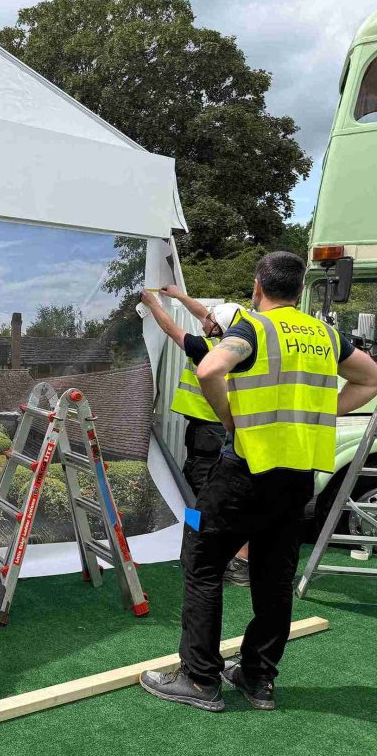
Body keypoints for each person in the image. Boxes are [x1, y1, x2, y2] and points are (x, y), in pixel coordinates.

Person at [140, 251, 377, 712]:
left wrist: (230, 416)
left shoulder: (254, 327)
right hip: (298, 477)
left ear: (258, 287)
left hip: (247, 469)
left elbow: (210, 369)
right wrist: (321, 414)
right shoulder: (325, 334)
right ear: (299, 287)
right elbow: (370, 379)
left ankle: (199, 679)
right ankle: (257, 679)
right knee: (273, 577)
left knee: (202, 559)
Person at [140, 287, 252, 586]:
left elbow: (170, 328)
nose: (205, 320)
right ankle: (212, 552)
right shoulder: (234, 345)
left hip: (209, 432)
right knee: (213, 493)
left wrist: (152, 303)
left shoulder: (208, 349)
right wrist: (179, 295)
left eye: (211, 320)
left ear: (218, 329)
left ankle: (231, 560)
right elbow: (203, 313)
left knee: (201, 494)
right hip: (214, 431)